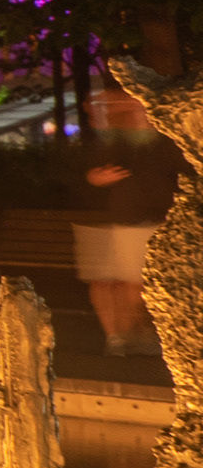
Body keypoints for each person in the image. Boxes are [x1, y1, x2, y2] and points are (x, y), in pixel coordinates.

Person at [75, 146, 178, 354]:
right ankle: (117, 337)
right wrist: (95, 177)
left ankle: (138, 332)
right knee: (106, 282)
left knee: (134, 283)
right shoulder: (111, 142)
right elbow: (87, 173)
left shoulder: (156, 144)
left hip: (138, 220)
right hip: (114, 218)